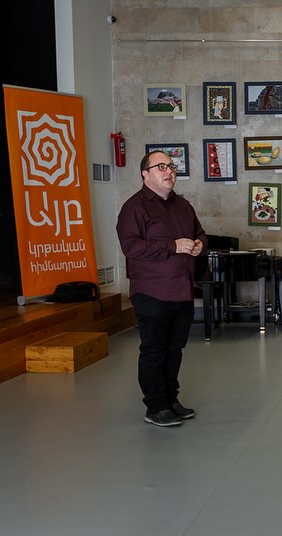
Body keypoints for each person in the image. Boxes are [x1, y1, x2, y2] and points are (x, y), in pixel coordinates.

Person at [116, 151, 207, 427]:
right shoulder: (134, 207)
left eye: (171, 166)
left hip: (182, 289)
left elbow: (200, 234)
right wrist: (173, 246)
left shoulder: (183, 205)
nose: (169, 171)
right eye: (160, 167)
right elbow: (130, 246)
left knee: (175, 349)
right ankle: (155, 407)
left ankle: (171, 399)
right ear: (145, 174)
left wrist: (200, 245)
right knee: (154, 350)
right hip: (151, 292)